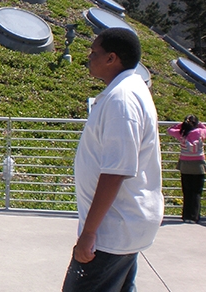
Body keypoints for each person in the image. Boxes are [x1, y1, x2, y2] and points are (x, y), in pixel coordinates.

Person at [62, 28, 164, 291]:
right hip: (121, 225)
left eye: (95, 52)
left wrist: (88, 233)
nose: (89, 57)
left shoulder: (122, 100)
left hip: (112, 229)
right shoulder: (127, 91)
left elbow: (116, 171)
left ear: (112, 58)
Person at [166, 115, 206, 223]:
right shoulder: (199, 132)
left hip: (185, 164)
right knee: (196, 191)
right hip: (198, 164)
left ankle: (186, 216)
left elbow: (170, 130)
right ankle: (195, 216)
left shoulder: (181, 133)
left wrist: (180, 125)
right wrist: (201, 124)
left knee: (187, 190)